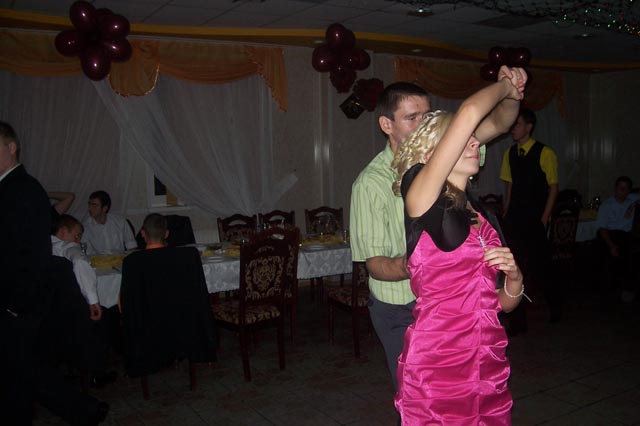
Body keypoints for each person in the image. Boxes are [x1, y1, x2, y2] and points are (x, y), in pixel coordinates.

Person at [391, 67, 526, 425]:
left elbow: (499, 305)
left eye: (473, 141)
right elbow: (469, 112)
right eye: (462, 139)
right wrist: (505, 85)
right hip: (438, 362)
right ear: (432, 154)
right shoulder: (421, 197)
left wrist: (515, 279)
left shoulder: (484, 216)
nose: (474, 144)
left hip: (486, 360)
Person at [0, 121, 108, 425]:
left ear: (11, 148)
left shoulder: (22, 188)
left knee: (19, 374)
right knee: (24, 370)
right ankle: (86, 410)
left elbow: (32, 251)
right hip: (18, 298)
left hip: (19, 299)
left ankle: (84, 411)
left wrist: (16, 303)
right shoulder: (13, 188)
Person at [350, 82, 430, 390]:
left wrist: (506, 94)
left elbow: (489, 129)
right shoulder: (370, 184)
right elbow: (376, 265)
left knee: (444, 389)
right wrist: (422, 262)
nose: (423, 125)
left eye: (426, 116)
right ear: (387, 125)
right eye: (412, 118)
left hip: (437, 298)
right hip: (399, 306)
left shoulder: (435, 164)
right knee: (414, 392)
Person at [499, 108, 558, 333]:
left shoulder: (545, 153)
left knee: (540, 265)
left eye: (517, 124)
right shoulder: (510, 153)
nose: (513, 129)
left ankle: (555, 305)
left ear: (529, 126)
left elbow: (553, 188)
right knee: (514, 269)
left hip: (535, 219)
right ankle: (518, 322)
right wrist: (506, 212)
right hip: (515, 219)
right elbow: (510, 186)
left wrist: (544, 218)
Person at [52, 214, 102, 321]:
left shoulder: (39, 245)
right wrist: (93, 301)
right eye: (77, 236)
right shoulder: (66, 246)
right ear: (63, 231)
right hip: (69, 308)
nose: (78, 241)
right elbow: (80, 260)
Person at [596, 176, 640, 294]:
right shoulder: (607, 205)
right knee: (610, 253)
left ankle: (625, 287)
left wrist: (633, 205)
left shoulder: (631, 199)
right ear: (615, 189)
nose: (623, 191)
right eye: (620, 188)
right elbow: (602, 228)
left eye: (626, 188)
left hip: (625, 235)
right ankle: (607, 287)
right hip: (609, 234)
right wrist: (611, 245)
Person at [82, 190, 137, 255]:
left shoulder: (120, 222)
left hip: (120, 259)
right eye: (89, 204)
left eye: (94, 205)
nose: (90, 208)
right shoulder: (85, 227)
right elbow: (86, 252)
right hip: (98, 260)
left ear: (104, 208)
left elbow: (131, 247)